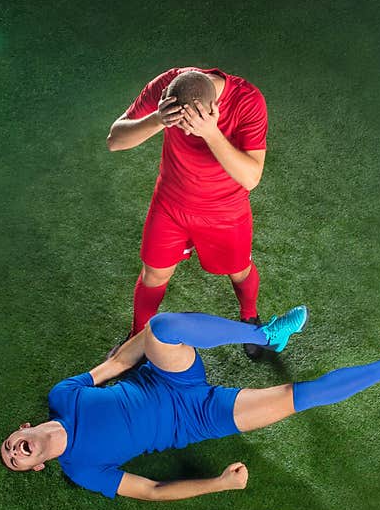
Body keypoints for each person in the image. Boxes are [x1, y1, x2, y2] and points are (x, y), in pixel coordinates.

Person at [0, 308, 380, 501]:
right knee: (301, 397)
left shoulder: (64, 396)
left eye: (11, 445)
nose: (17, 452)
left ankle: (266, 335)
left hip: (166, 378)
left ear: (22, 428)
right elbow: (152, 491)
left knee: (162, 326)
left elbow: (117, 362)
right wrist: (218, 484)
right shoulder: (81, 468)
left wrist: (153, 339)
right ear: (36, 466)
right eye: (17, 462)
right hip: (196, 418)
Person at [106, 67, 269, 359]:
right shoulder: (167, 85)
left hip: (225, 210)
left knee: (239, 270)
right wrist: (157, 119)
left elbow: (251, 177)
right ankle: (137, 337)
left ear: (213, 109)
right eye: (178, 124)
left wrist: (210, 133)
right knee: (153, 274)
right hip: (171, 205)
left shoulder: (248, 100)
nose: (184, 132)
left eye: (190, 124)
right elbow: (115, 140)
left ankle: (250, 318)